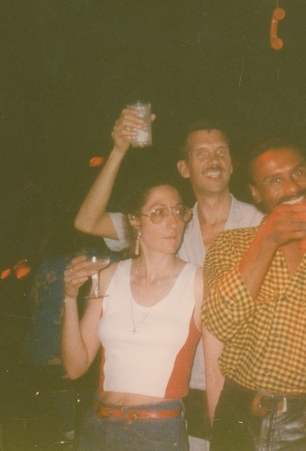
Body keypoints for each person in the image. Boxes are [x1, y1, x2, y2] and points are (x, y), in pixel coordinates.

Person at [74, 110, 264, 445]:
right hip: (173, 397)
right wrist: (118, 150)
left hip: (237, 387)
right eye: (201, 153)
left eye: (221, 151)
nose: (214, 160)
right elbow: (87, 221)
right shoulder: (168, 222)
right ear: (184, 168)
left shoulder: (259, 228)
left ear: (233, 164)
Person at [202, 139, 306, 451]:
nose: (292, 188)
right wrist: (267, 239)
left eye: (298, 173)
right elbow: (219, 322)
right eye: (274, 180)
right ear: (256, 194)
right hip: (241, 420)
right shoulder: (231, 245)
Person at [62, 182, 201, 450]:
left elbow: (216, 364)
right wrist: (69, 297)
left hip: (158, 432)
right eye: (159, 212)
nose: (173, 223)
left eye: (178, 212)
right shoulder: (107, 275)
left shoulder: (198, 280)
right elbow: (75, 367)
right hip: (98, 426)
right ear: (135, 221)